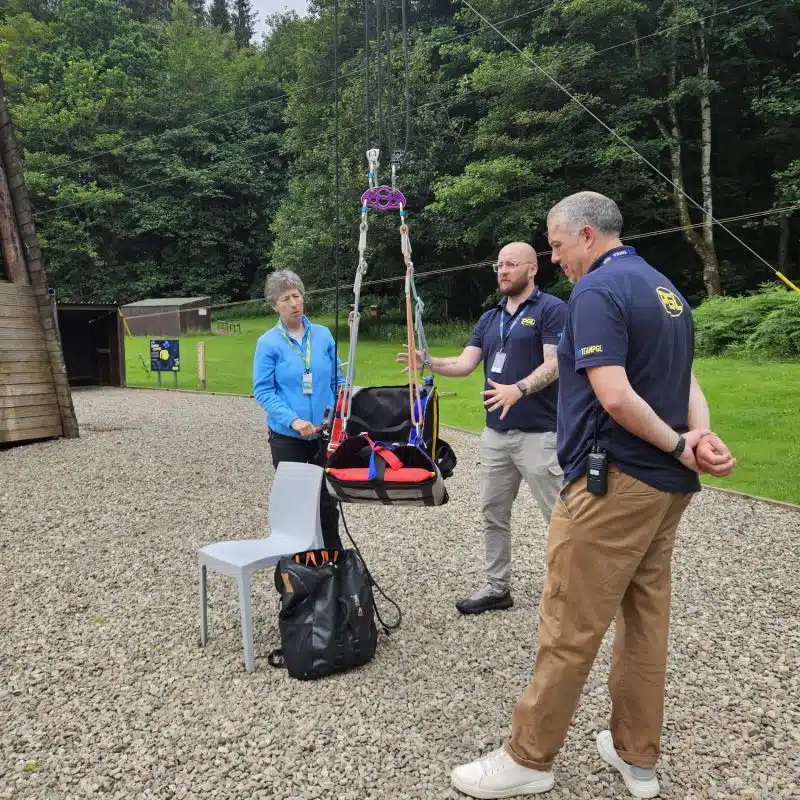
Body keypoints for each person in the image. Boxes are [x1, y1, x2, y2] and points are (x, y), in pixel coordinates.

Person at [449, 192, 736, 799]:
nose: (557, 261)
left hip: (616, 484)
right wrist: (698, 436)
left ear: (585, 235)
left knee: (568, 620)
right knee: (644, 620)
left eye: (556, 247)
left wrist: (683, 446)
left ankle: (528, 757)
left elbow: (614, 395)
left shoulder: (597, 293)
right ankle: (637, 758)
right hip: (666, 491)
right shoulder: (666, 290)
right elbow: (687, 381)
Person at [398, 241, 567, 615]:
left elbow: (554, 364)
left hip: (540, 434)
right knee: (493, 512)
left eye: (510, 264)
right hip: (495, 436)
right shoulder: (490, 318)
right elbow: (464, 363)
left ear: (532, 268)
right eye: (499, 265)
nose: (503, 271)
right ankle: (497, 588)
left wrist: (518, 389)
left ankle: (572, 592)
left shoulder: (551, 310)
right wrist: (426, 361)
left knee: (560, 517)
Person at [253, 269, 345, 551]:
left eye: (297, 295)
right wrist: (293, 420)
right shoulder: (268, 343)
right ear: (275, 306)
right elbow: (263, 391)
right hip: (288, 438)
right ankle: (293, 574)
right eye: (286, 298)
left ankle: (334, 565)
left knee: (327, 504)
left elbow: (337, 380)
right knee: (294, 508)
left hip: (324, 435)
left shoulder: (323, 335)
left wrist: (342, 409)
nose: (294, 303)